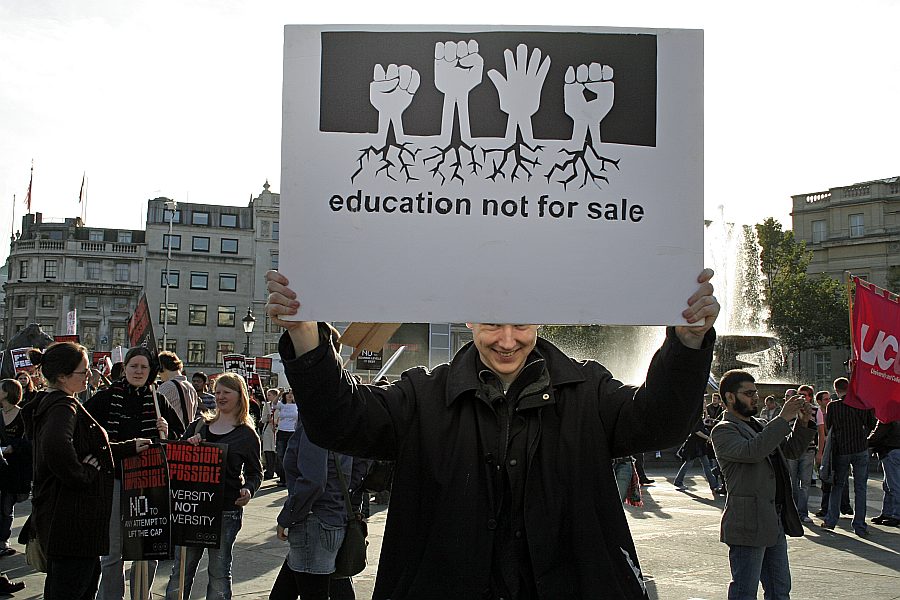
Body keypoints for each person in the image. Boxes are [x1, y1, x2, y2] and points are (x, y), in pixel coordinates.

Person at [265, 268, 719, 599]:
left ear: (542, 319)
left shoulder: (588, 390)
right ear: (468, 320)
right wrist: (306, 336)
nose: (507, 340)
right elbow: (340, 422)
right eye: (491, 324)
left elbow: (661, 424)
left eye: (520, 323)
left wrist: (687, 343)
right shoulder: (422, 395)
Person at [19, 342, 153, 600]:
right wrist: (84, 474)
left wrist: (127, 448)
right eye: (83, 371)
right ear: (62, 376)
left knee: (73, 584)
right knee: (73, 587)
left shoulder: (57, 402)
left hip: (68, 519)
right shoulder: (63, 406)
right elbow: (56, 447)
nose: (89, 375)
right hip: (74, 520)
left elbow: (88, 447)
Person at [270, 332, 365, 600]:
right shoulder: (345, 402)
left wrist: (287, 516)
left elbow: (313, 479)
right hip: (332, 518)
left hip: (314, 521)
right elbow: (362, 464)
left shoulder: (318, 408)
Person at [710, 370, 816, 600]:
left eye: (755, 392)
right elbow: (752, 451)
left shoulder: (760, 424)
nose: (755, 397)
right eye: (748, 393)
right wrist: (782, 418)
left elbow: (791, 451)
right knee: (744, 592)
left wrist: (802, 423)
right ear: (729, 397)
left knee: (780, 589)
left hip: (773, 516)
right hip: (748, 521)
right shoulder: (724, 430)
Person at [84, 347, 176, 600]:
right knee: (113, 551)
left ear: (150, 371)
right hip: (115, 480)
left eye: (143, 367)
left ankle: (140, 595)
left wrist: (166, 432)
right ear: (124, 368)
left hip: (149, 482)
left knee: (148, 550)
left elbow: (177, 442)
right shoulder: (105, 397)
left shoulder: (159, 400)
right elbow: (83, 430)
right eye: (133, 366)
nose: (138, 371)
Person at [164, 372, 262, 600]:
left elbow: (255, 472)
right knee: (181, 570)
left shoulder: (247, 435)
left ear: (240, 396)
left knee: (219, 571)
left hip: (226, 509)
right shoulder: (199, 425)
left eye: (226, 392)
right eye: (217, 392)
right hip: (193, 509)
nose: (220, 396)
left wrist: (248, 489)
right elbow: (175, 459)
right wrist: (188, 445)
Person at [822, 376, 876, 536]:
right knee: (861, 488)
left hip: (841, 451)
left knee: (837, 485)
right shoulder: (862, 404)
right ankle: (859, 524)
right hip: (860, 449)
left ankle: (831, 520)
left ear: (836, 390)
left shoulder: (833, 407)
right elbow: (872, 425)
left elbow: (828, 428)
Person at [0, 379, 32, 558]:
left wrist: (14, 447)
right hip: (0, 465)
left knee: (6, 505)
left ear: (7, 393)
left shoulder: (23, 415)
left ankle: (3, 540)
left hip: (15, 469)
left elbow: (29, 441)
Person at [785, 384, 818, 524]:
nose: (801, 397)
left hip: (809, 450)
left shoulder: (815, 411)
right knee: (792, 481)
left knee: (805, 483)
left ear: (810, 397)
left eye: (804, 395)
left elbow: (820, 431)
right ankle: (793, 511)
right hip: (792, 450)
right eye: (799, 394)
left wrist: (820, 451)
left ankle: (802, 512)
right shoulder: (791, 410)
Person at [673, 417, 719, 494]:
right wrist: (708, 438)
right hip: (694, 446)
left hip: (699, 446)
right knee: (689, 464)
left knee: (705, 465)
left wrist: (706, 424)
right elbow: (697, 431)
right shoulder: (696, 418)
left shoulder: (697, 418)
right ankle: (678, 482)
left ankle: (713, 485)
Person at [868, 418, 900, 527]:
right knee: (889, 484)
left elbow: (878, 435)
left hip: (890, 451)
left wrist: (866, 441)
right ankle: (887, 513)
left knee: (893, 485)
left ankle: (896, 515)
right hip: (895, 451)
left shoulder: (887, 416)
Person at [157, 351, 200, 430]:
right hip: (187, 435)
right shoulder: (191, 387)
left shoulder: (166, 387)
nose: (159, 374)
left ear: (162, 367)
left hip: (172, 434)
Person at [274, 389, 298, 486]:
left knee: (291, 455)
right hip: (282, 432)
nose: (289, 396)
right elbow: (274, 404)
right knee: (281, 455)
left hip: (292, 432)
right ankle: (282, 478)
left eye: (291, 394)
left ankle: (290, 478)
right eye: (288, 394)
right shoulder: (281, 405)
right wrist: (279, 393)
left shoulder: (296, 406)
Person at [259, 388, 279, 479]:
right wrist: (268, 418)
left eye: (270, 395)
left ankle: (278, 470)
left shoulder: (281, 405)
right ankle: (269, 471)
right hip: (268, 430)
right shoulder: (266, 406)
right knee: (268, 451)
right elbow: (263, 419)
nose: (268, 397)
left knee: (276, 451)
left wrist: (274, 421)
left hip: (277, 429)